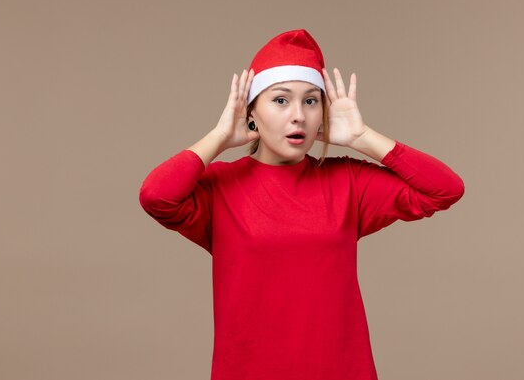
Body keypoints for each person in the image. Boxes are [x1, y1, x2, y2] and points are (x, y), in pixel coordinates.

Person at [138, 29, 465, 380]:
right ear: (251, 112)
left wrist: (362, 138)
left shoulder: (348, 181)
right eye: (280, 100)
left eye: (311, 101)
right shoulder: (220, 187)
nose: (298, 116)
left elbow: (445, 189)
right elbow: (156, 196)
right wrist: (218, 138)